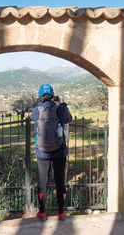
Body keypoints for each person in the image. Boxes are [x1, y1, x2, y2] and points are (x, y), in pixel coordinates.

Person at [31, 84, 72, 221]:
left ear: (40, 95)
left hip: (42, 152)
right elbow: (69, 118)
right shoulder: (60, 109)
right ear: (53, 95)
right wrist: (63, 103)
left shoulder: (37, 110)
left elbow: (33, 118)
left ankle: (42, 212)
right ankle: (61, 212)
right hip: (59, 151)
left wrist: (40, 103)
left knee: (43, 182)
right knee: (60, 182)